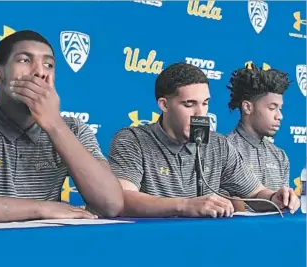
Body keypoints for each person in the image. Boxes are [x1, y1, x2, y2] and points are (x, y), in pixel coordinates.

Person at [0, 30, 124, 224]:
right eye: (24, 60)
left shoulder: (72, 129)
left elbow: (111, 204)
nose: (40, 72)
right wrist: (41, 208)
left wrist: (55, 125)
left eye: (48, 65)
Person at [108, 62, 300, 218]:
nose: (200, 114)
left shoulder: (218, 145)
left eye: (205, 103)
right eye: (189, 104)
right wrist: (185, 205)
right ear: (164, 104)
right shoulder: (132, 140)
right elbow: (122, 198)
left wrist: (275, 198)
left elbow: (257, 193)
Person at [226, 63, 291, 211]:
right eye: (272, 108)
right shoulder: (224, 150)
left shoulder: (280, 156)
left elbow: (283, 207)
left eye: (279, 108)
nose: (279, 116)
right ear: (247, 107)